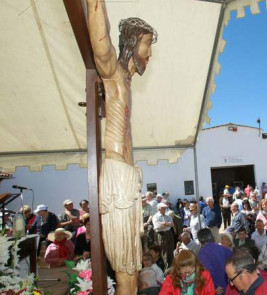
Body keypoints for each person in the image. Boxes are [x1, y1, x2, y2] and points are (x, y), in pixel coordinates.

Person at [86, 0, 157, 291]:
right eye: (147, 45)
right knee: (126, 268)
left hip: (126, 178)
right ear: (131, 43)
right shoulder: (113, 74)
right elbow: (100, 44)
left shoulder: (126, 83)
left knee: (132, 266)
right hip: (116, 178)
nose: (149, 53)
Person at [197, 228, 232, 294]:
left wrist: (215, 286)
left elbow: (208, 272)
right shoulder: (223, 249)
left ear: (200, 240)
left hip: (216, 287)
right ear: (211, 236)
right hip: (228, 285)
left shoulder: (201, 254)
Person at [153, 203, 175, 269]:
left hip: (169, 233)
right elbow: (158, 227)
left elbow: (172, 224)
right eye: (163, 208)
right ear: (159, 209)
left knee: (170, 250)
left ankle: (171, 266)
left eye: (165, 208)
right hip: (162, 234)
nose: (165, 210)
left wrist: (164, 223)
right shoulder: (156, 216)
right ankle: (165, 268)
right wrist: (167, 224)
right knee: (164, 252)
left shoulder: (167, 216)